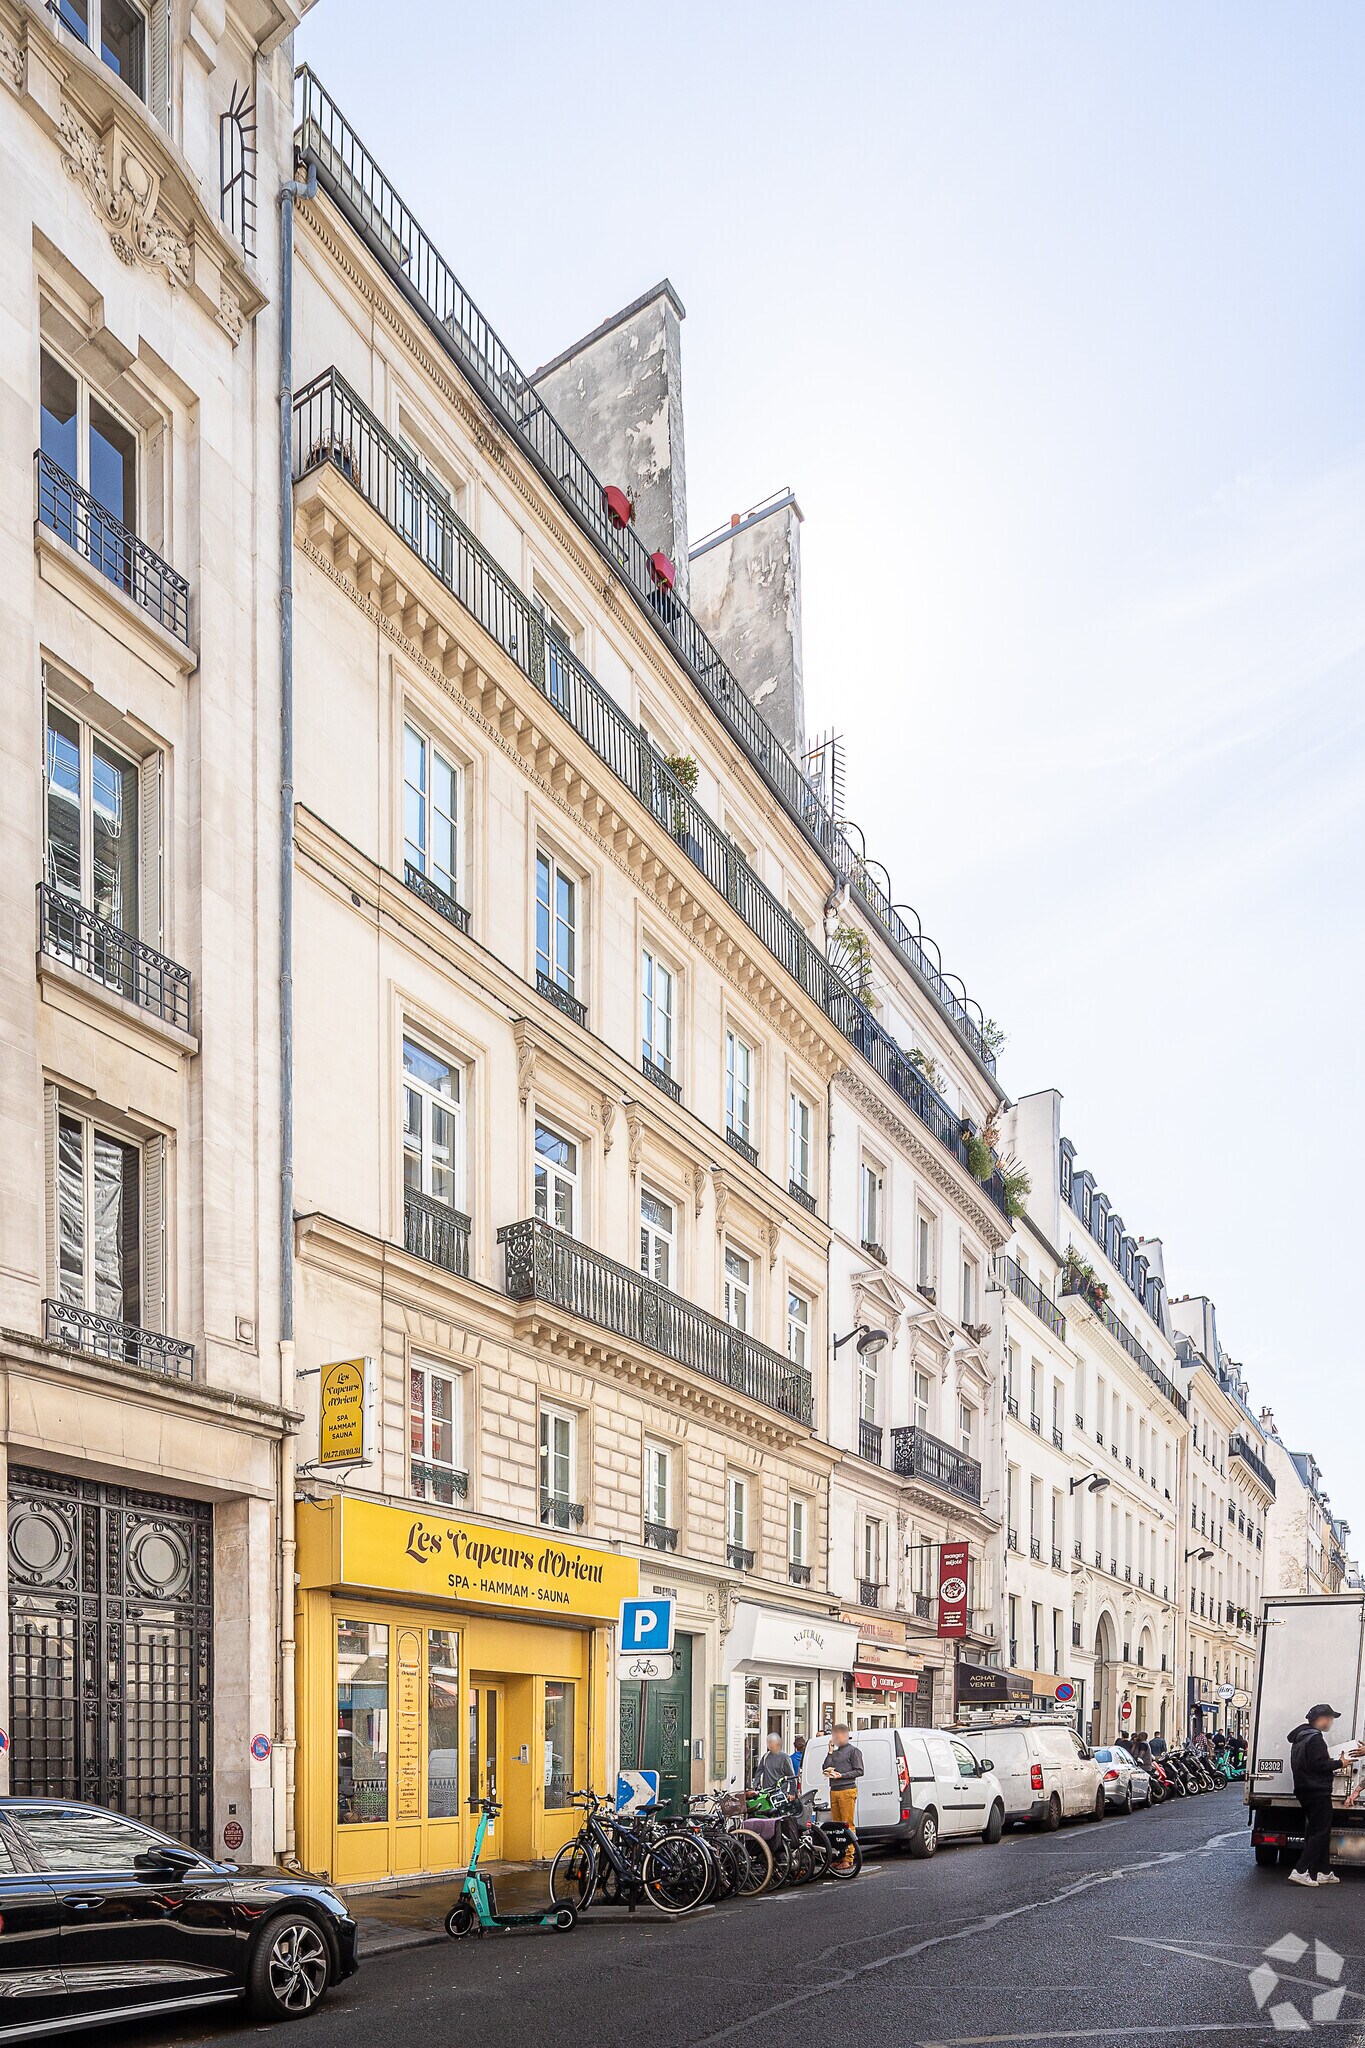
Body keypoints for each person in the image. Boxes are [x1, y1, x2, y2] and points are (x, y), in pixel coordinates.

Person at [1287, 1704, 1365, 1887]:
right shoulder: (1315, 1738)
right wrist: (1340, 1762)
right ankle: (1301, 1870)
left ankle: (1323, 1871)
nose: (1331, 1722)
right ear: (1321, 1718)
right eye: (1330, 1718)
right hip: (1316, 1790)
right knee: (1320, 1832)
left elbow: (1311, 1763)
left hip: (1305, 1788)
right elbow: (1318, 1765)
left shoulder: (1301, 1737)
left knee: (1319, 1831)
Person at [823, 1723, 864, 1868]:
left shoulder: (854, 1751)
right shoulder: (835, 1752)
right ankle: (840, 1855)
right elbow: (825, 1766)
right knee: (837, 1825)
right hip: (834, 1789)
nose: (835, 1738)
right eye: (834, 1735)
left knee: (847, 1824)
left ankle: (849, 1857)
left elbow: (859, 1770)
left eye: (838, 1735)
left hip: (847, 1790)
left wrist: (842, 1775)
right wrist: (829, 1752)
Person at [754, 1732, 796, 1798]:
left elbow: (791, 1776)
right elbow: (759, 1772)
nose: (769, 1745)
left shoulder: (785, 1758)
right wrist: (755, 1786)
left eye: (771, 1743)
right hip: (766, 1793)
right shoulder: (766, 1756)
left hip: (780, 1794)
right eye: (769, 1743)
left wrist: (792, 1793)